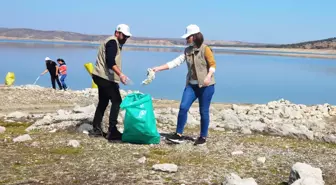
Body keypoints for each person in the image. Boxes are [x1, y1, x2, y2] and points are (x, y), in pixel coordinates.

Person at [151, 24, 216, 145]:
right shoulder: (187, 51)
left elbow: (212, 65)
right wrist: (158, 69)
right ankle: (178, 134)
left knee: (204, 111)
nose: (186, 40)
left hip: (206, 86)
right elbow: (175, 62)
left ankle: (202, 137)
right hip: (191, 85)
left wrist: (208, 76)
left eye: (188, 37)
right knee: (183, 107)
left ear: (194, 36)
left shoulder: (205, 49)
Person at [89, 24, 132, 141]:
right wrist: (121, 75)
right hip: (104, 77)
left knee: (103, 101)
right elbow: (110, 62)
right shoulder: (112, 43)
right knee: (117, 100)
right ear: (117, 33)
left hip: (100, 76)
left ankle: (96, 129)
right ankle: (112, 131)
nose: (125, 39)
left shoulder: (113, 42)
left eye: (127, 37)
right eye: (124, 36)